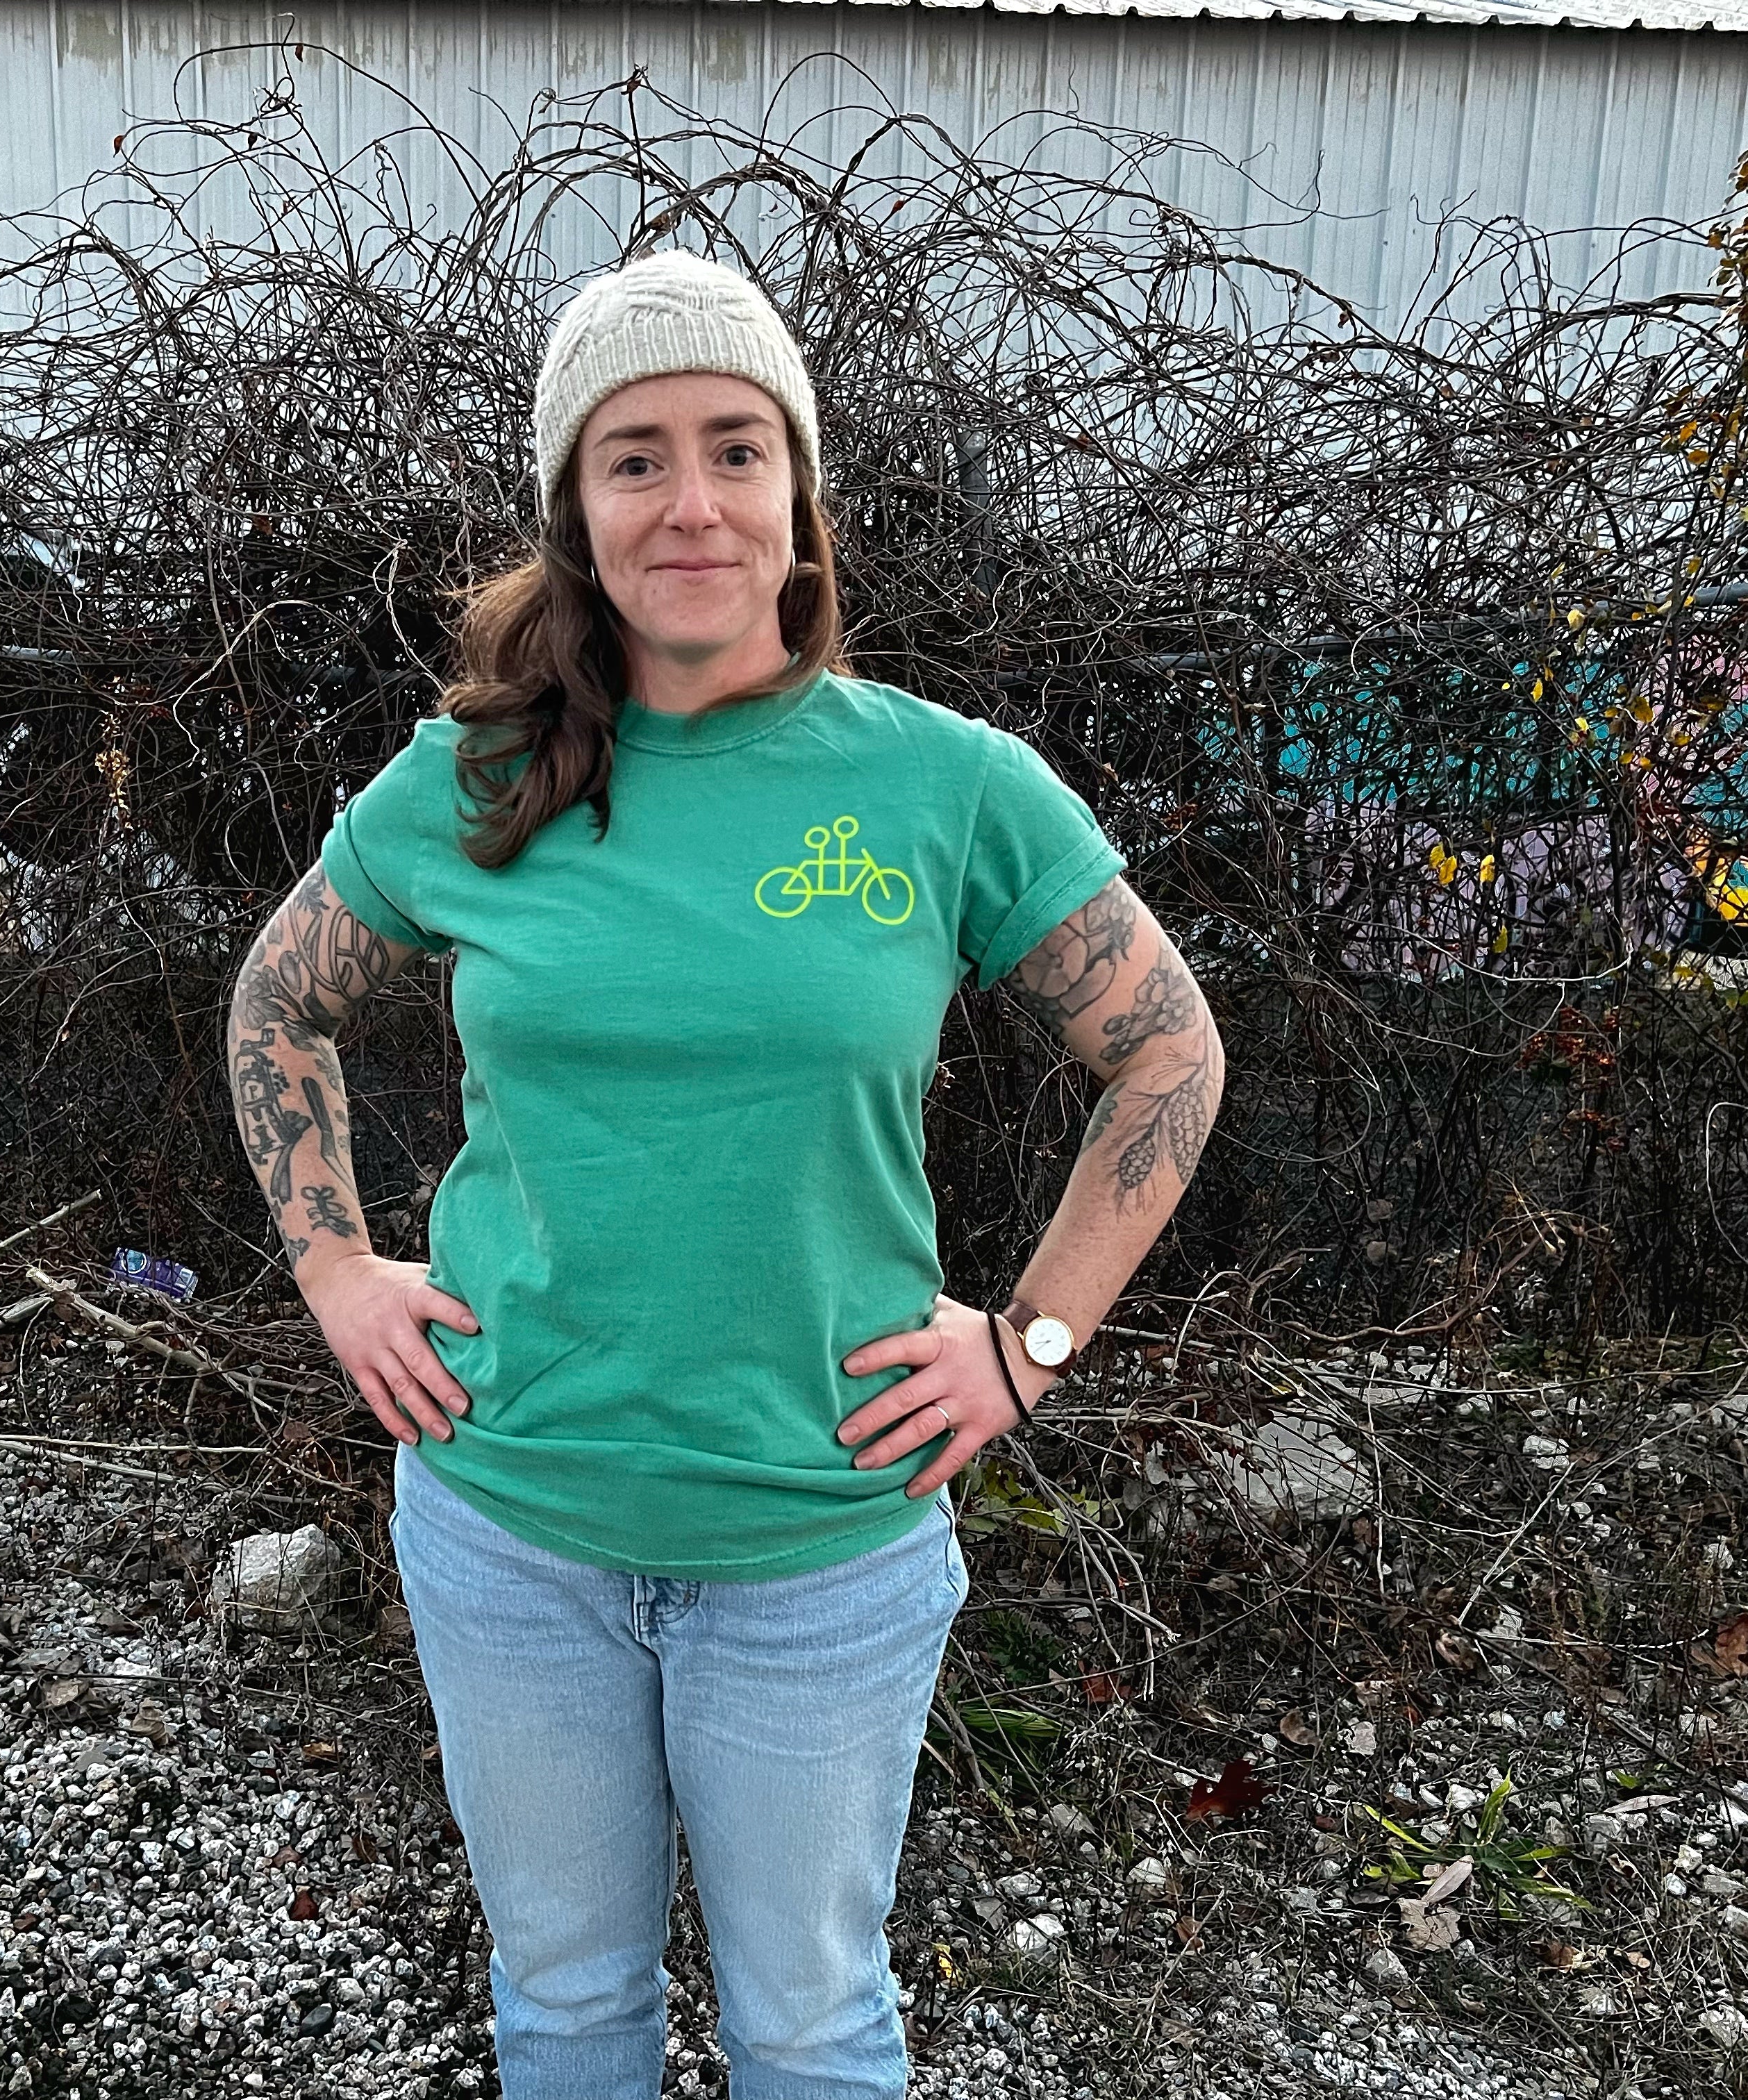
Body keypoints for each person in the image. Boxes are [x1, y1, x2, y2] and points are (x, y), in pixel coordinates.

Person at [226, 250, 1225, 2100]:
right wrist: (338, 1274)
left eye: (737, 448)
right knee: (570, 2006)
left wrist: (1030, 1347)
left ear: (798, 497)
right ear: (578, 513)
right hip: (514, 1522)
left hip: (819, 1548)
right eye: (636, 457)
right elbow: (278, 1010)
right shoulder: (476, 781)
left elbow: (1168, 1050)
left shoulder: (945, 787)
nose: (692, 500)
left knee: (809, 2025)